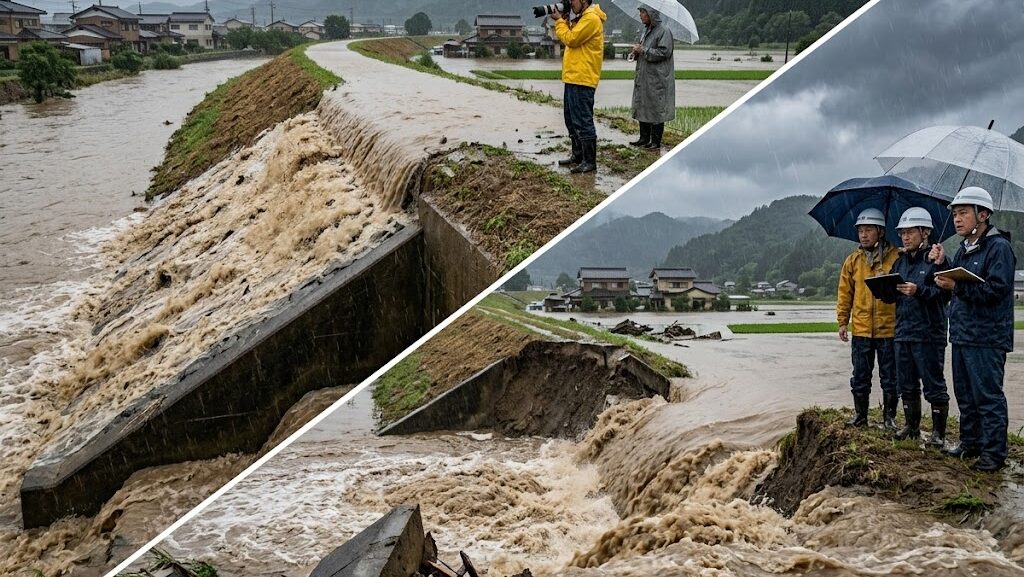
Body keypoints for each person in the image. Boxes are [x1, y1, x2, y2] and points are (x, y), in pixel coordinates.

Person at [929, 186, 1016, 472]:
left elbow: (996, 291)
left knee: (988, 397)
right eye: (955, 213)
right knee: (965, 394)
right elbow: (965, 280)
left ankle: (993, 455)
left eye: (963, 212)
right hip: (963, 333)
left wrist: (957, 287)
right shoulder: (964, 248)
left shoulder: (999, 248)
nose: (957, 219)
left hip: (988, 336)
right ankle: (970, 443)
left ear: (984, 215)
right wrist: (945, 264)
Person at [890, 207, 950, 445]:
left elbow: (944, 294)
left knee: (934, 383)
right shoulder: (900, 262)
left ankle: (938, 434)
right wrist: (885, 289)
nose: (905, 237)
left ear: (925, 232)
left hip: (928, 333)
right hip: (903, 331)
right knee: (906, 382)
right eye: (902, 232)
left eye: (910, 232)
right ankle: (911, 426)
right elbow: (894, 293)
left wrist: (919, 291)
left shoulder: (938, 259)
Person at [836, 208, 900, 429]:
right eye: (860, 230)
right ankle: (860, 415)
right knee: (860, 376)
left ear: (880, 232)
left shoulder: (896, 257)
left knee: (890, 377)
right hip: (862, 329)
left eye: (868, 230)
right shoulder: (852, 261)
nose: (863, 235)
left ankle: (889, 419)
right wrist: (843, 321)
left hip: (889, 328)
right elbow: (845, 294)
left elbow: (903, 291)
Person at [552, 0, 607, 174]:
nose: (569, 2)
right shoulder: (582, 18)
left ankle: (589, 161)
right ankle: (577, 155)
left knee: (583, 121)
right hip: (573, 76)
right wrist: (567, 21)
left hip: (583, 78)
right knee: (571, 119)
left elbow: (571, 39)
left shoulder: (591, 19)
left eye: (572, 0)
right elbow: (572, 36)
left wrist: (559, 21)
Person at [629, 5, 675, 151]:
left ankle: (655, 141)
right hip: (644, 76)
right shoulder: (646, 31)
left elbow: (664, 52)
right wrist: (637, 52)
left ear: (651, 14)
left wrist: (643, 49)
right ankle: (643, 138)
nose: (641, 15)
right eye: (640, 12)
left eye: (643, 12)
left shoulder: (664, 31)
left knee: (656, 108)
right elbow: (645, 51)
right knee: (643, 104)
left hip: (657, 78)